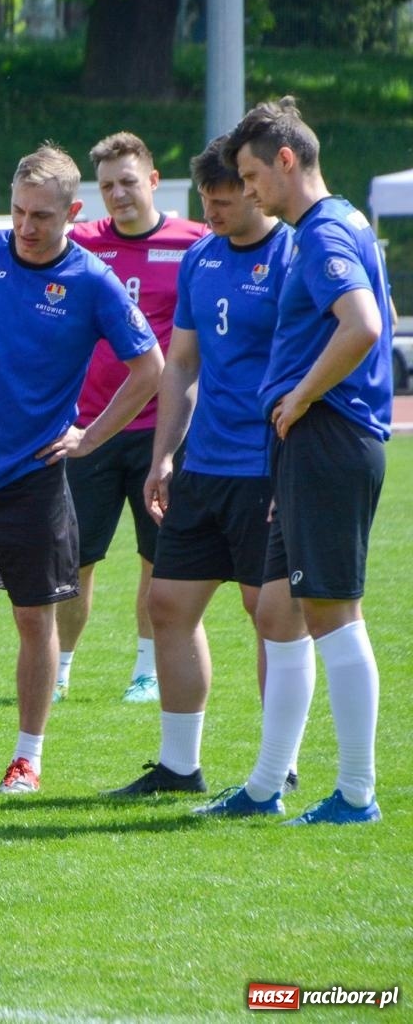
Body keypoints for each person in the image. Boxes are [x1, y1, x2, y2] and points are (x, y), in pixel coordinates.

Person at [0, 143, 162, 796]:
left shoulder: (91, 281)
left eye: (42, 217)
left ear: (72, 213)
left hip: (33, 479)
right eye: (19, 211)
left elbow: (150, 368)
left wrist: (91, 436)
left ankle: (27, 757)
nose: (27, 227)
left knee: (35, 622)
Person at [193, 97, 393, 826]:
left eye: (251, 176)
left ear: (286, 161)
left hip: (329, 438)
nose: (247, 192)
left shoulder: (324, 231)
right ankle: (265, 785)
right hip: (305, 443)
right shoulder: (334, 226)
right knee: (279, 612)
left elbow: (366, 326)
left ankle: (356, 793)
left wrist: (302, 396)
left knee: (334, 613)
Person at [108, 135, 302, 796]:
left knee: (268, 612)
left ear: (255, 190)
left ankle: (281, 761)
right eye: (206, 201)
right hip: (206, 465)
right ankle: (179, 767)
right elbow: (182, 363)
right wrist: (164, 456)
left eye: (224, 200)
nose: (212, 212)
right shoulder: (200, 259)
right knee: (168, 603)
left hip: (268, 464)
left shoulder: (293, 255)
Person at [57, 133, 208, 705]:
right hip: (90, 430)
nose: (117, 194)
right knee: (76, 559)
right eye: (107, 187)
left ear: (152, 180)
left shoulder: (193, 242)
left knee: (158, 556)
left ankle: (146, 670)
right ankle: (62, 667)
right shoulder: (81, 245)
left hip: (162, 432)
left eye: (127, 181)